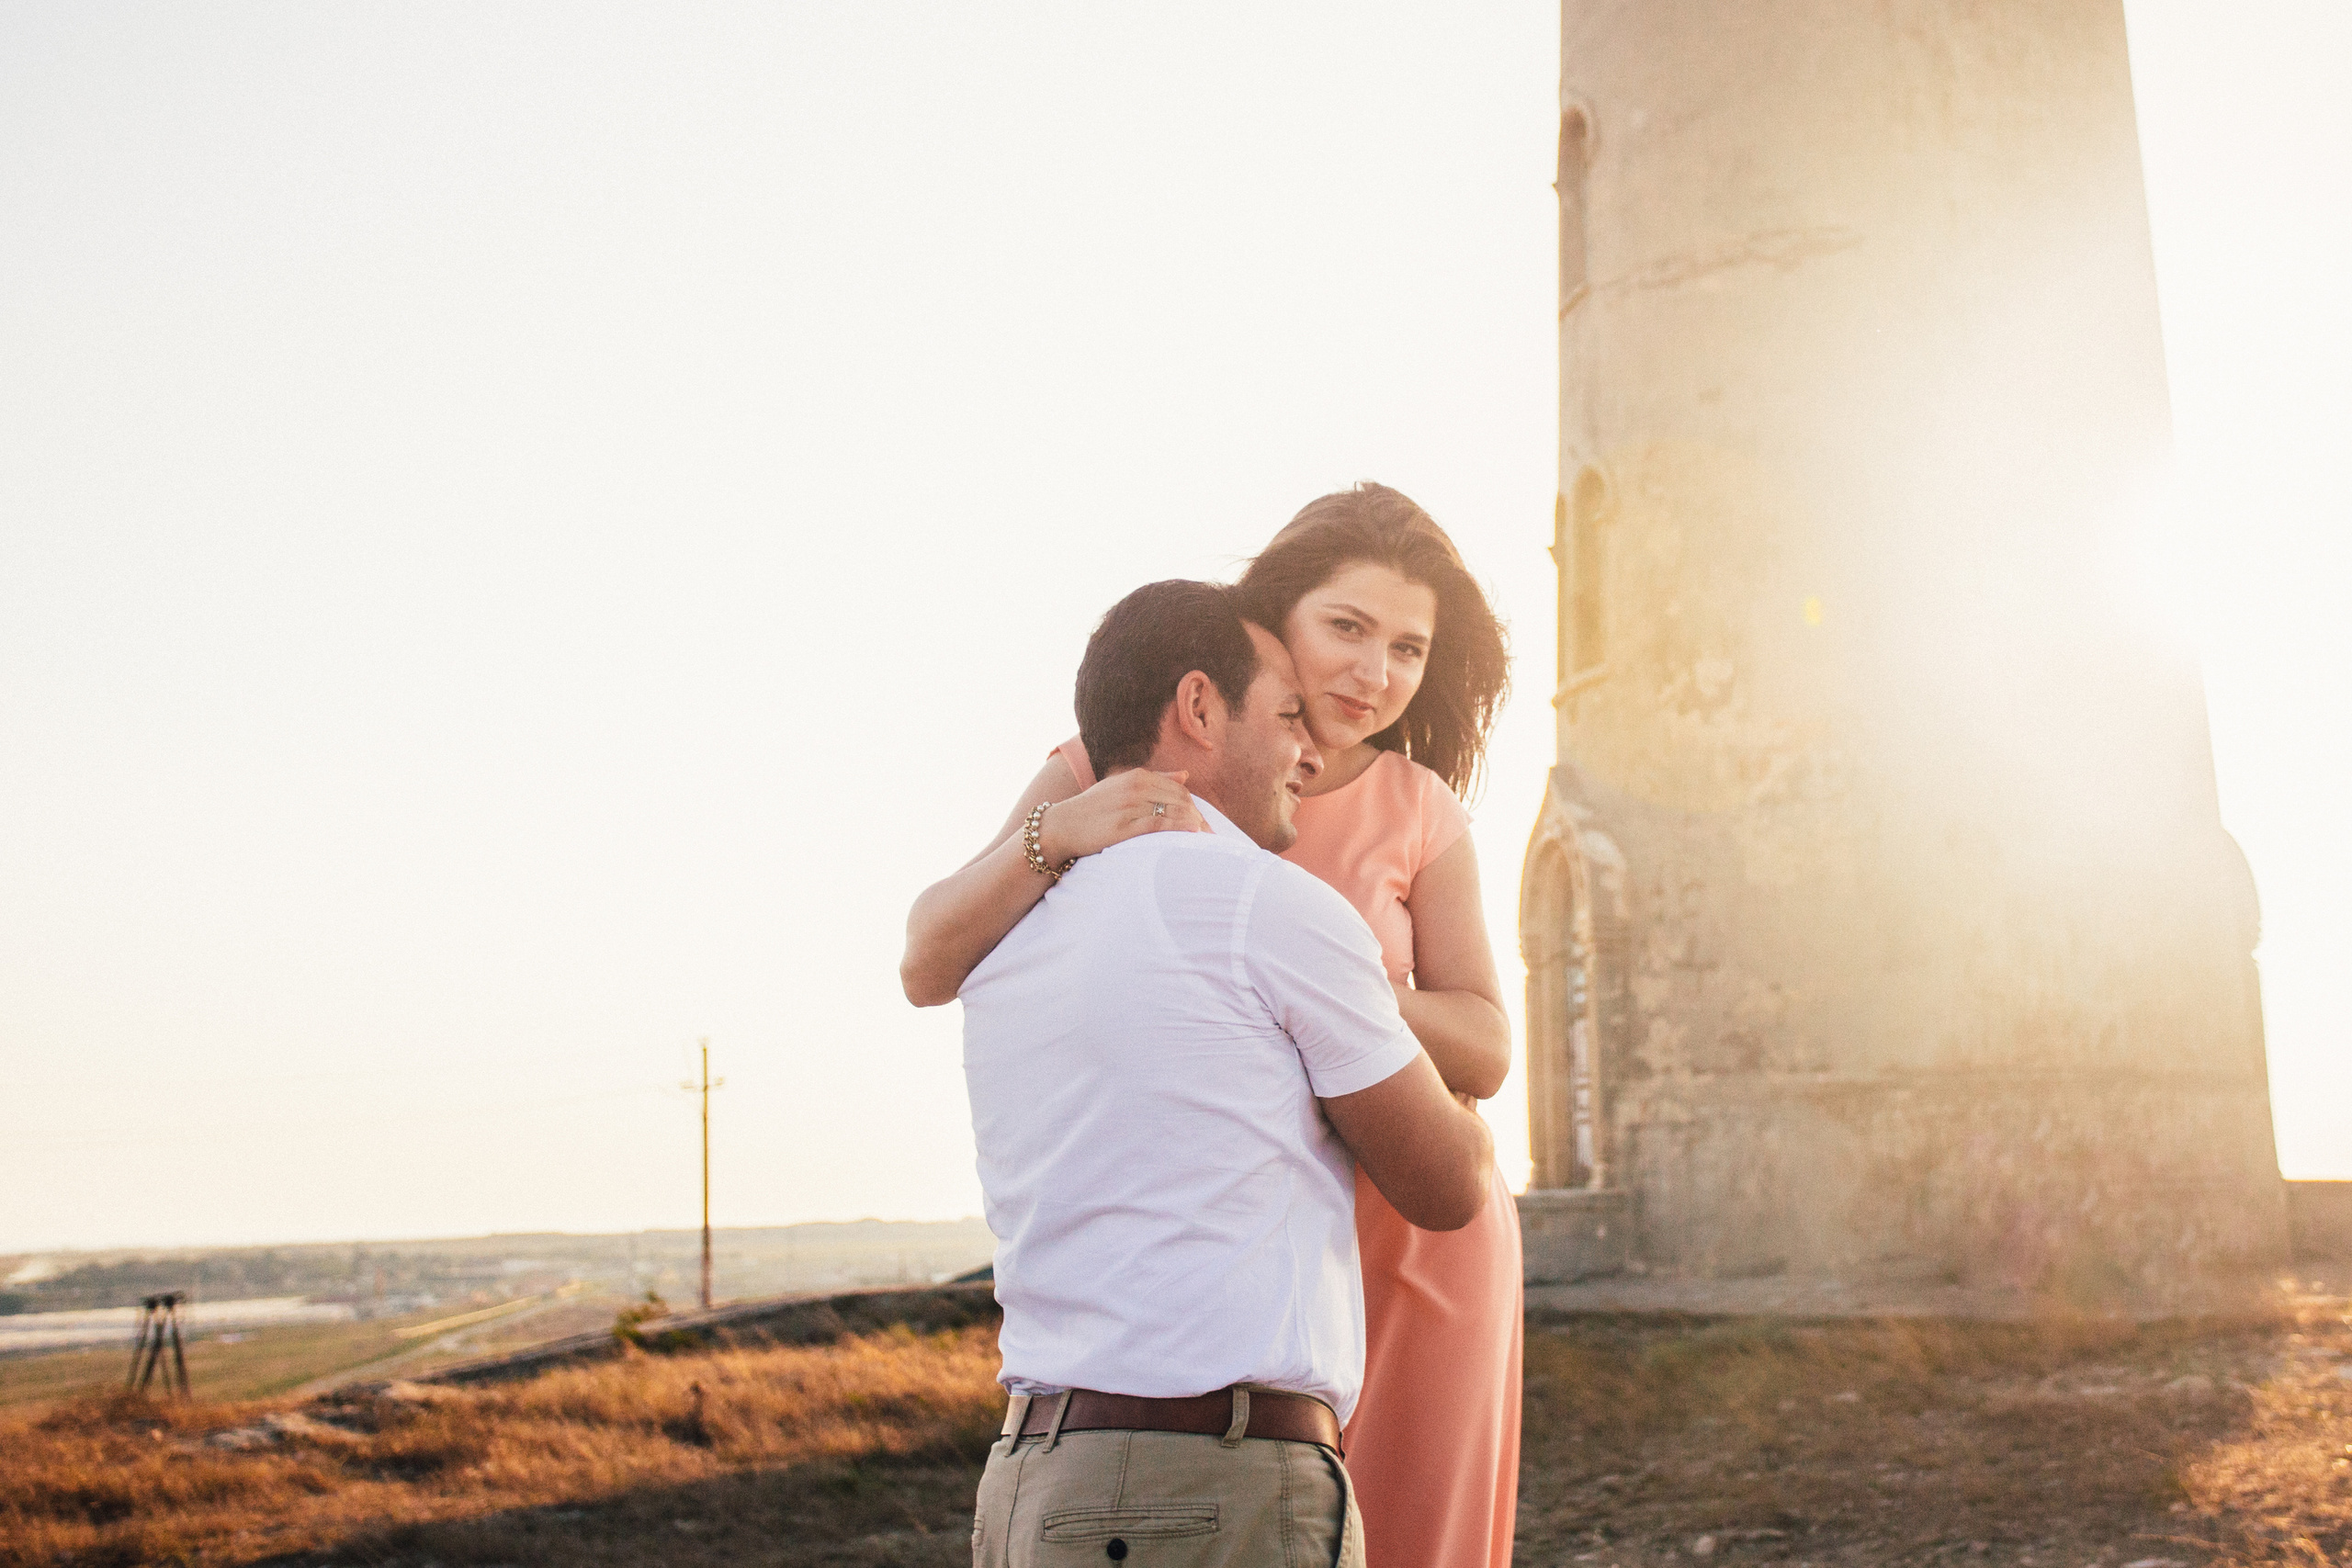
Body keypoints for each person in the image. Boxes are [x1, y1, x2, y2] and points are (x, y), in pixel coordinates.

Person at [908, 484, 1521, 1568]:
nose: (1372, 674)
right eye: (1346, 628)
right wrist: (1053, 836)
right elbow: (931, 959)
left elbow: (1483, 1043)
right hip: (1220, 1240)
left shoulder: (1418, 805)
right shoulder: (1107, 768)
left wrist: (1338, 990)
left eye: (1408, 649)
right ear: (1270, 621)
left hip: (1410, 1224)